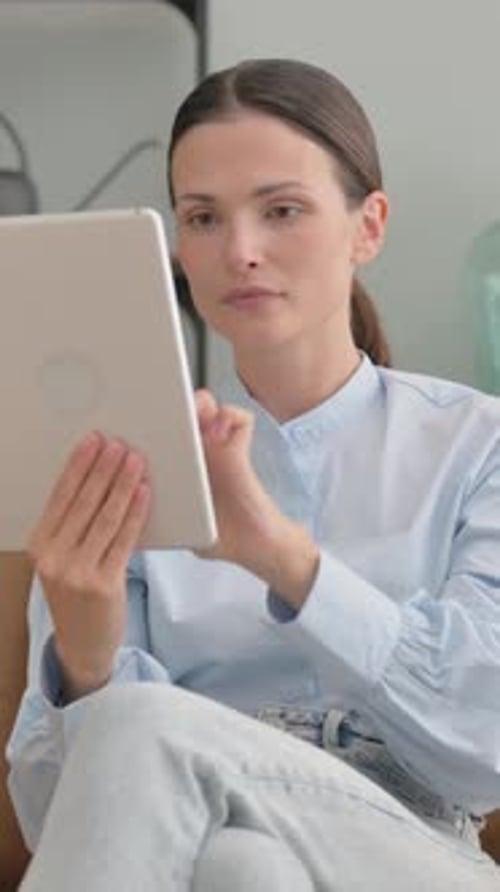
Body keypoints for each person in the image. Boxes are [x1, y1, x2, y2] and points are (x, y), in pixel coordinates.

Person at [6, 58, 500, 891]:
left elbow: (484, 743)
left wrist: (287, 562)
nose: (240, 251)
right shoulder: (129, 464)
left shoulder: (479, 444)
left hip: (420, 855)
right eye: (203, 218)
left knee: (142, 725)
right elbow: (60, 822)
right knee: (244, 868)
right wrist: (85, 659)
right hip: (211, 858)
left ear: (368, 226)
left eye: (283, 211)